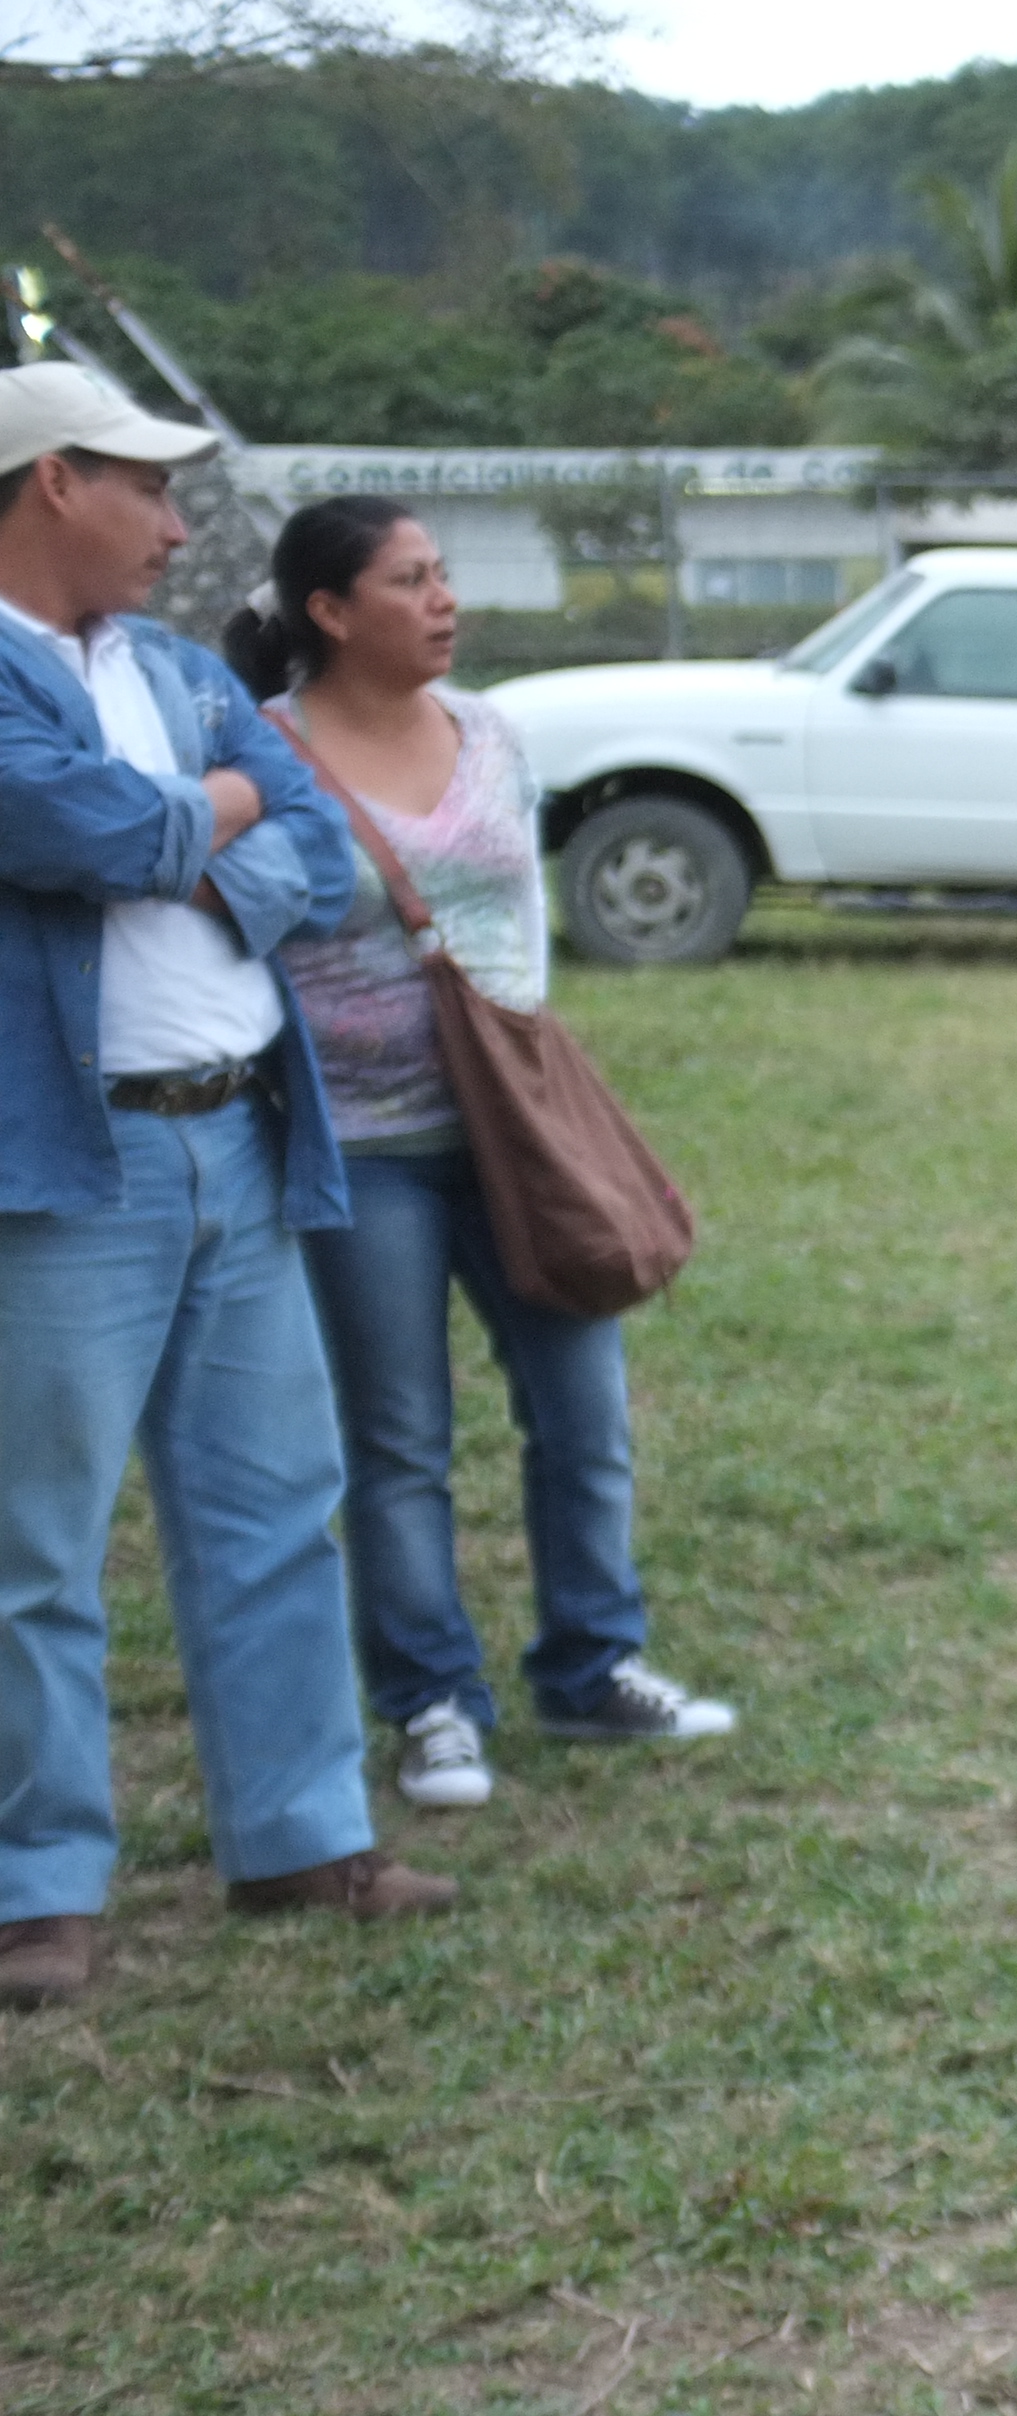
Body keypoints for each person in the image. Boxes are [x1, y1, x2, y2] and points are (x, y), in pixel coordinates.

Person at [0, 364, 456, 2018]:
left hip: (240, 1137)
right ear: (55, 480)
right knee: (36, 1541)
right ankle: (37, 1892)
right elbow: (79, 828)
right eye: (146, 488)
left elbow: (319, 855)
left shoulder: (182, 670)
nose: (179, 528)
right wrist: (212, 812)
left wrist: (192, 826)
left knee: (274, 1502)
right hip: (71, 1162)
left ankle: (302, 1839)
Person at [229, 498, 736, 1816]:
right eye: (410, 580)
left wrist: (525, 1068)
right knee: (400, 1439)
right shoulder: (262, 749)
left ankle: (592, 1666)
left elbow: (521, 921)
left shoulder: (491, 732)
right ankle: (433, 1702)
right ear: (330, 612)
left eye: (443, 574)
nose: (445, 599)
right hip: (365, 1146)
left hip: (521, 1137)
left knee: (584, 1416)